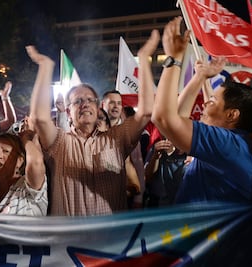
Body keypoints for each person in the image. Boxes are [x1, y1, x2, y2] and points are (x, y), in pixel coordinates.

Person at [28, 30, 159, 216]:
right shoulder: (59, 143)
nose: (85, 104)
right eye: (78, 101)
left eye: (90, 100)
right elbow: (39, 118)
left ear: (98, 110)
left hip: (109, 238)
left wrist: (144, 59)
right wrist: (45, 67)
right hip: (69, 241)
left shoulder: (117, 139)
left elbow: (146, 111)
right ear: (68, 111)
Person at [152, 17, 252, 204]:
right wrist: (200, 77)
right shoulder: (236, 145)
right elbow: (176, 120)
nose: (204, 104)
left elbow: (164, 118)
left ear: (232, 114)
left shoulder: (228, 144)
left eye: (212, 101)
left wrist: (174, 59)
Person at [143, 137, 188, 207]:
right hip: (162, 205)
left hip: (186, 205)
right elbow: (147, 177)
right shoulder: (158, 148)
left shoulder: (193, 152)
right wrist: (155, 157)